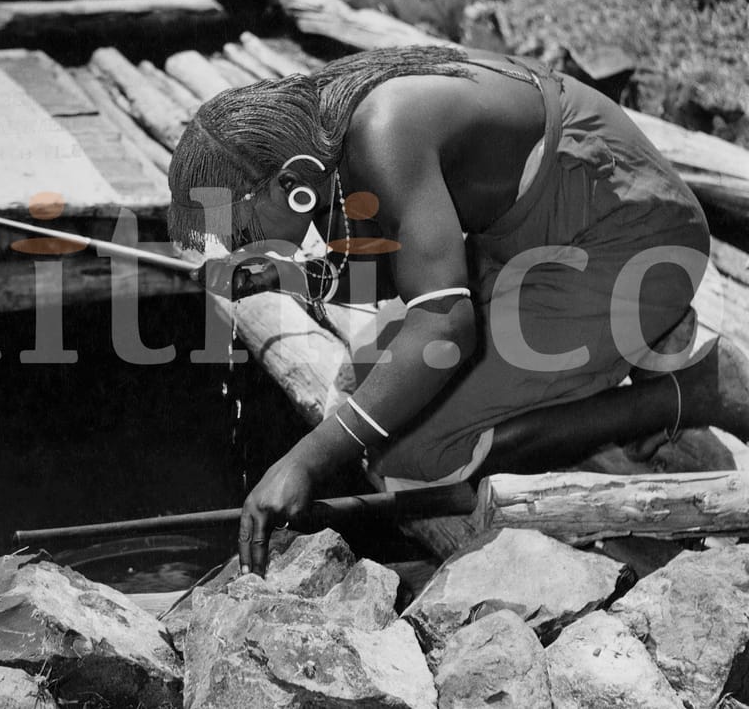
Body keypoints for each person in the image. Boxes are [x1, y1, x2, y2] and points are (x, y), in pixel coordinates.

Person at [166, 45, 727, 576]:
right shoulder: (323, 130)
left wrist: (305, 460)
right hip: (538, 237)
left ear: (289, 183)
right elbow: (406, 266)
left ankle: (692, 390)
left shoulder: (382, 134)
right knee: (366, 380)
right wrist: (284, 276)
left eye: (241, 231)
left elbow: (446, 325)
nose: (237, 247)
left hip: (631, 237)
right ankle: (641, 334)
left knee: (416, 456)